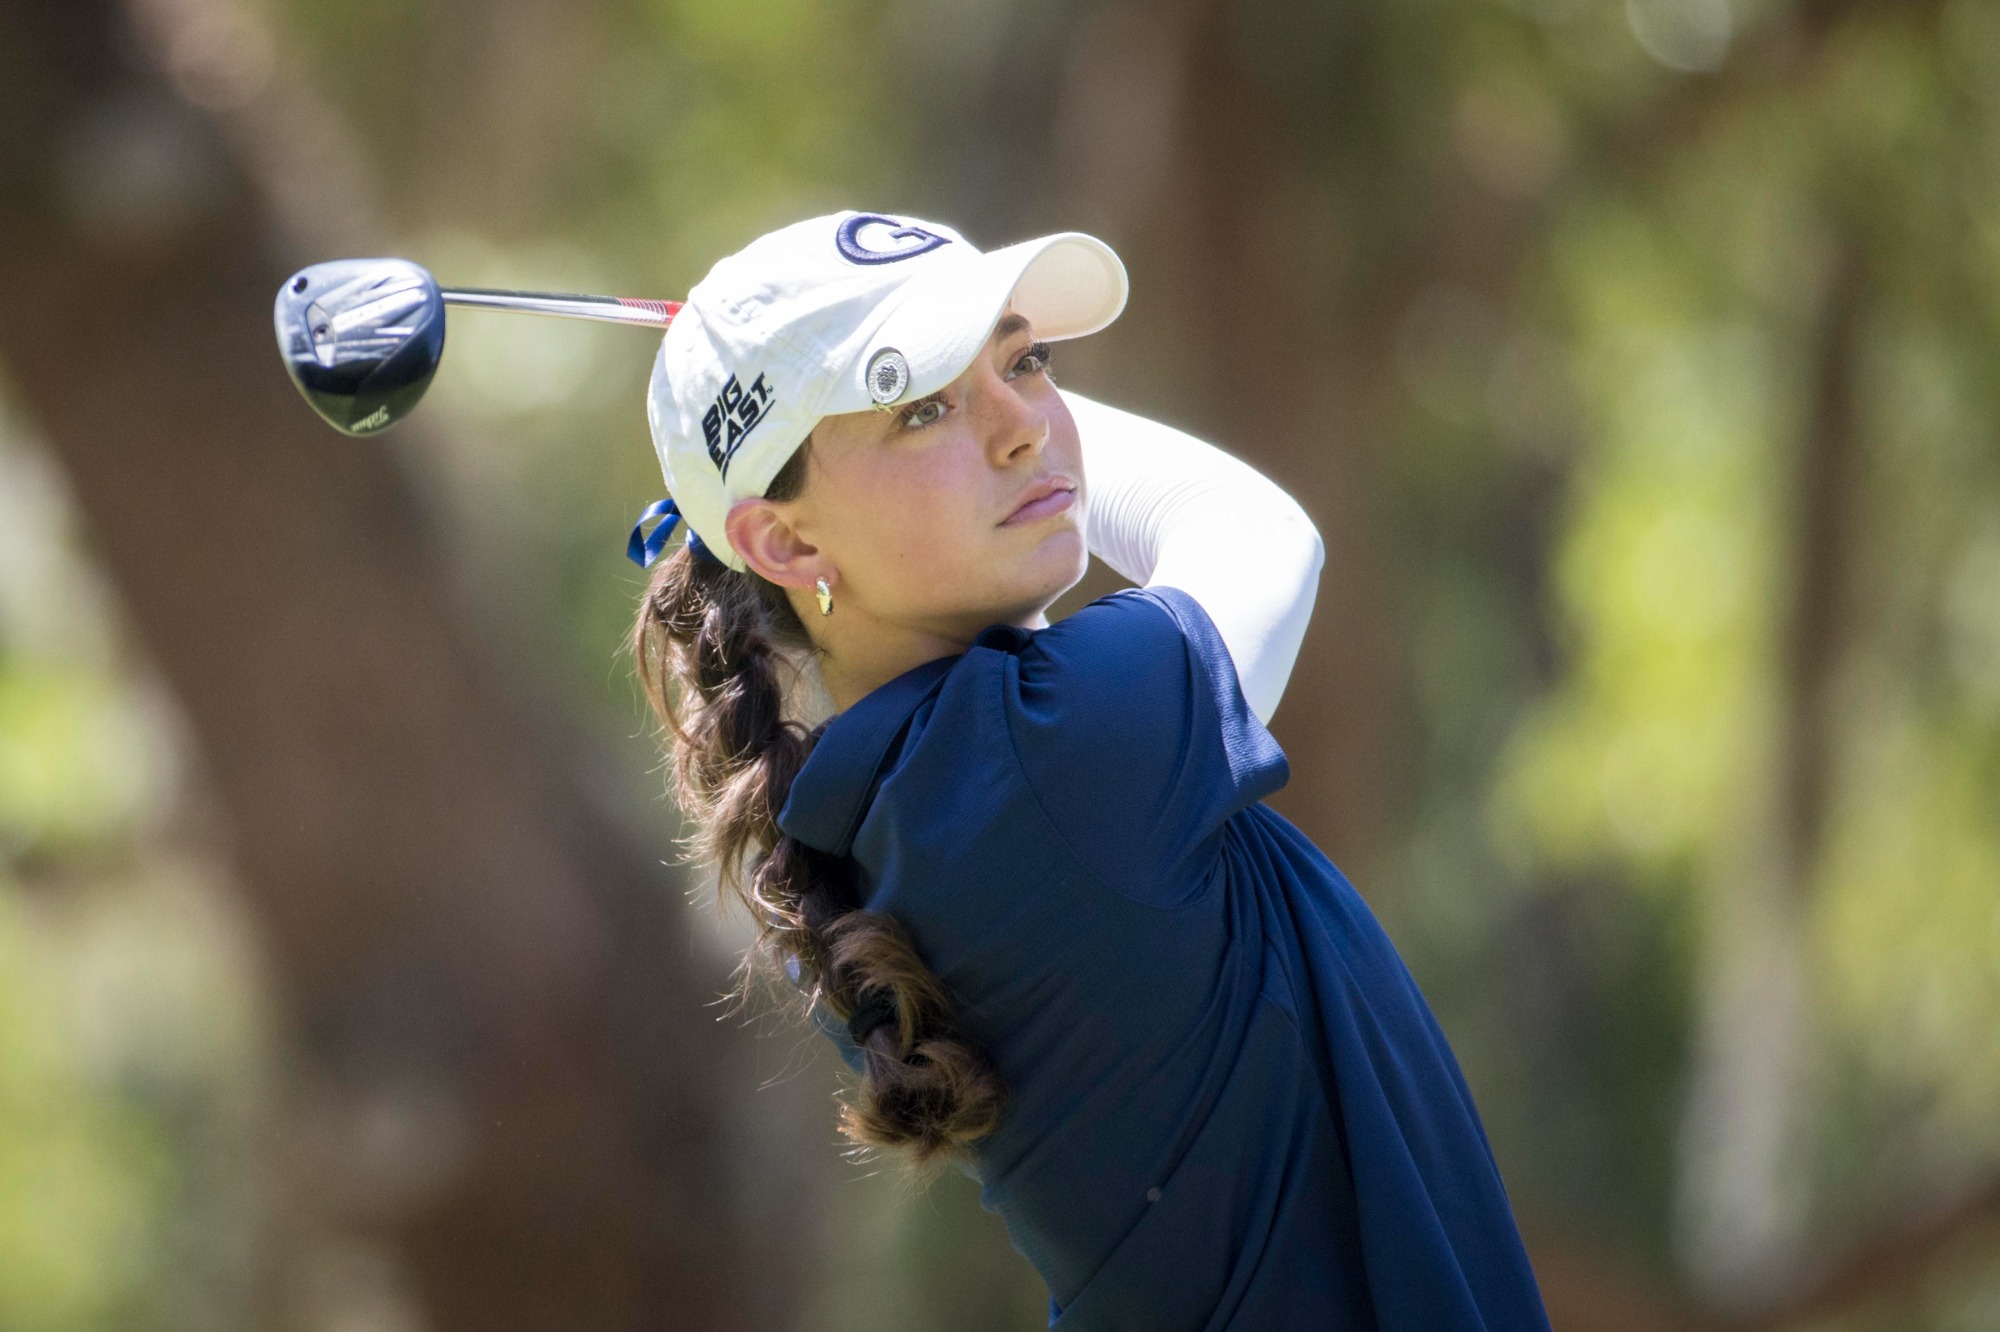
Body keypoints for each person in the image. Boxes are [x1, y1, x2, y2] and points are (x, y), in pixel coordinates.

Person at [626, 211, 1552, 1330]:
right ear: (787, 547)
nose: (1022, 428)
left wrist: (832, 412)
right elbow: (1249, 528)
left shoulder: (873, 814)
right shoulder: (1056, 752)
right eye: (922, 407)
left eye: (1028, 361)